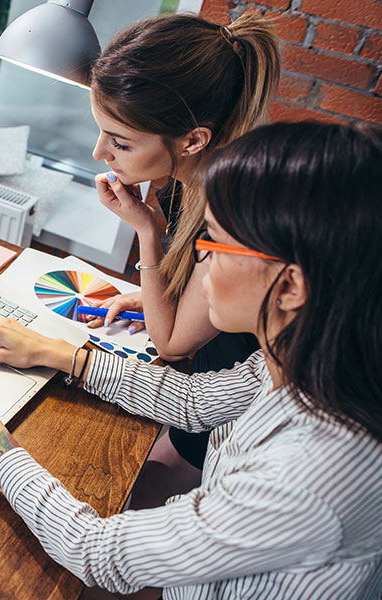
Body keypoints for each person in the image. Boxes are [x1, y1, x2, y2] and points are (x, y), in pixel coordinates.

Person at [0, 122, 382, 597]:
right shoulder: (313, 356)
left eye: (215, 243)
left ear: (290, 287)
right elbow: (198, 401)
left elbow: (98, 553)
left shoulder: (309, 478)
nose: (199, 259)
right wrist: (59, 353)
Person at [85, 12, 280, 480]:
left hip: (222, 415)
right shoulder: (180, 179)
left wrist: (147, 233)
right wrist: (159, 292)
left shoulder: (233, 214)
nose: (99, 154)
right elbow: (191, 285)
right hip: (203, 390)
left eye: (121, 143)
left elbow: (171, 343)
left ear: (193, 140)